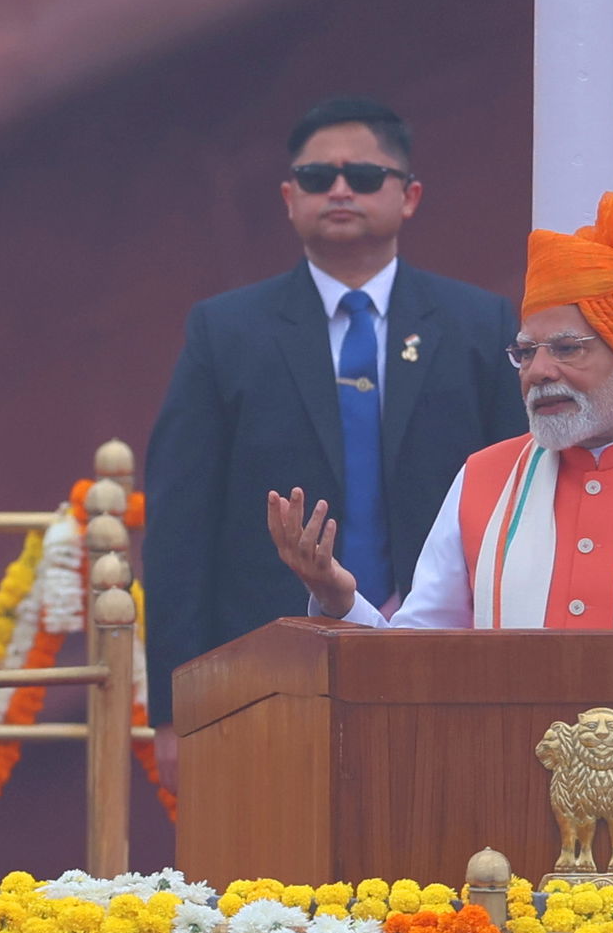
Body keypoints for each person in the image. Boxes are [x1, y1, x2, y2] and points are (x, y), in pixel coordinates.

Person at [145, 95, 527, 783]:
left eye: (365, 176)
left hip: (445, 654)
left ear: (409, 196)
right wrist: (173, 705)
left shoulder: (477, 324)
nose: (341, 190)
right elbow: (180, 519)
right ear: (290, 198)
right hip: (263, 662)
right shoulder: (226, 332)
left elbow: (520, 500)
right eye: (319, 178)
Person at [268, 191, 613, 629]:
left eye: (567, 348)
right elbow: (416, 666)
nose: (538, 372)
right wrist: (340, 598)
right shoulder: (483, 480)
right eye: (526, 352)